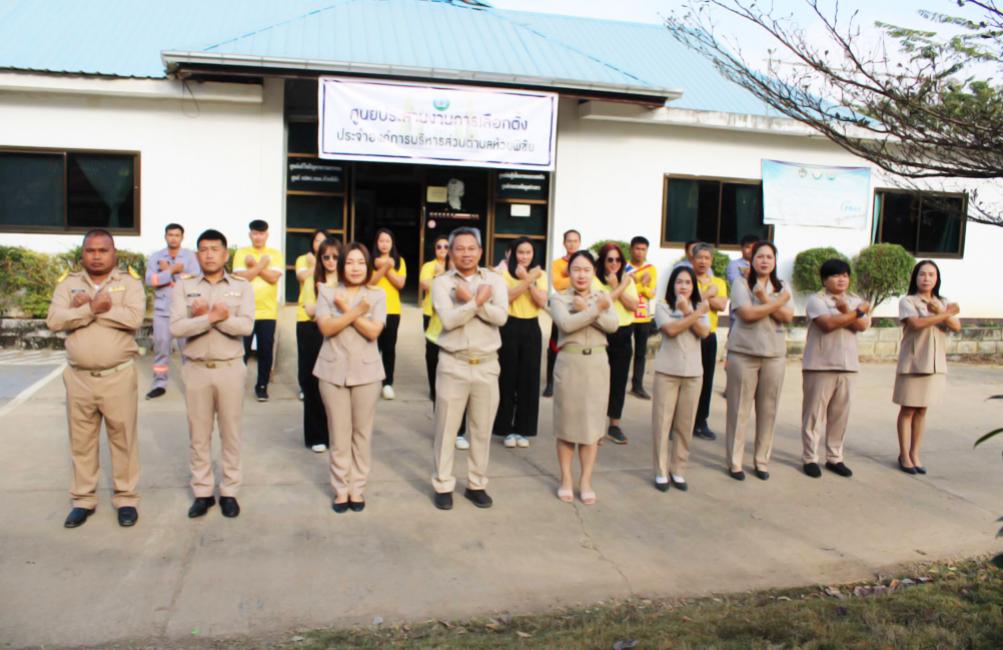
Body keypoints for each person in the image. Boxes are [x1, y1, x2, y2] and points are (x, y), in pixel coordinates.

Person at [46, 229, 145, 528]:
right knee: (82, 441)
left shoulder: (129, 283)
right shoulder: (68, 284)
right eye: (91, 250)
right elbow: (54, 320)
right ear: (83, 254)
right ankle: (83, 500)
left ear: (114, 253)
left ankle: (126, 499)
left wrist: (88, 308)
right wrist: (92, 307)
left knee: (123, 439)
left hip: (118, 376)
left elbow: (134, 318)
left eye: (103, 250)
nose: (97, 256)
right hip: (79, 378)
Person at [170, 229, 255, 519]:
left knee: (230, 433)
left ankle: (229, 491)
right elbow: (177, 328)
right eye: (204, 249)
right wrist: (211, 317)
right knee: (199, 434)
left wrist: (212, 318)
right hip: (196, 369)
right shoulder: (184, 286)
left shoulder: (242, 286)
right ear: (197, 255)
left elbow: (246, 326)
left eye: (215, 249)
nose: (209, 255)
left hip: (230, 368)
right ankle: (203, 492)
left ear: (225, 254)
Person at [428, 227, 508, 510]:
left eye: (471, 248)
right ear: (450, 252)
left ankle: (476, 484)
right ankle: (443, 483)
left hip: (486, 364)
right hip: (453, 363)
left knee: (481, 430)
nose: (466, 253)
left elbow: (501, 317)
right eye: (459, 248)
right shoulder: (442, 283)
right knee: (446, 429)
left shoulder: (495, 280)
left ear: (480, 251)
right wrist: (478, 301)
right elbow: (449, 321)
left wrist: (473, 303)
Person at [314, 243, 387, 513]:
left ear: (367, 266)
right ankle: (340, 489)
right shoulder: (327, 292)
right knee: (339, 433)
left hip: (367, 373)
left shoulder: (377, 295)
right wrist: (355, 311)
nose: (355, 268)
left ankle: (357, 488)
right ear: (341, 265)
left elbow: (373, 332)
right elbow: (326, 327)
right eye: (349, 262)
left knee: (362, 433)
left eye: (360, 262)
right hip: (332, 372)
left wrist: (345, 311)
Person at [549, 250, 619, 504]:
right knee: (567, 426)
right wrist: (595, 311)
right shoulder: (559, 298)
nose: (581, 275)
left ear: (594, 272)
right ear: (569, 272)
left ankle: (586, 481)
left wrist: (590, 309)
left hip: (597, 364)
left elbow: (613, 325)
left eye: (586, 270)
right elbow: (566, 325)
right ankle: (566, 479)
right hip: (570, 363)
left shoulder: (602, 296)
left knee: (592, 429)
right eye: (576, 269)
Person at [724, 241, 793, 481]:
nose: (764, 261)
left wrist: (765, 300)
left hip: (774, 354)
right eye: (760, 256)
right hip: (744, 353)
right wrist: (775, 303)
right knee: (738, 410)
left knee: (768, 410)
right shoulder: (742, 284)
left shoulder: (782, 286)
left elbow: (788, 317)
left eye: (769, 257)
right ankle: (735, 462)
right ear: (751, 260)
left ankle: (761, 461)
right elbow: (747, 314)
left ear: (775, 261)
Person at [801, 259, 871, 479]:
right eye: (835, 275)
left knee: (840, 415)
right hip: (820, 365)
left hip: (848, 365)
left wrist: (848, 310)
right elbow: (828, 324)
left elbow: (862, 326)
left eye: (845, 275)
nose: (841, 279)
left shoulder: (854, 300)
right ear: (824, 280)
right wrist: (856, 312)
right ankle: (810, 458)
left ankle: (834, 457)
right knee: (814, 415)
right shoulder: (817, 300)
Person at [893, 260, 960, 475]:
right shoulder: (908, 301)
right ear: (915, 277)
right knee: (908, 409)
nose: (927, 278)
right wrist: (945, 313)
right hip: (913, 362)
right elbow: (916, 324)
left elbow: (956, 327)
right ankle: (904, 455)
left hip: (935, 363)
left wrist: (941, 310)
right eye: (922, 274)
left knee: (922, 410)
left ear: (937, 279)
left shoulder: (942, 301)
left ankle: (915, 454)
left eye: (931, 274)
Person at [652, 266, 710, 492]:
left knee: (685, 426)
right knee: (662, 424)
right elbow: (671, 330)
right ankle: (661, 471)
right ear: (672, 285)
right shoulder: (663, 306)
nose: (683, 286)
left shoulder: (699, 306)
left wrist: (690, 310)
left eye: (687, 282)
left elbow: (704, 332)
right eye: (679, 282)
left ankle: (678, 470)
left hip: (693, 373)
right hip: (667, 372)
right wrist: (692, 313)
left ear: (693, 286)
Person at [494, 237, 547, 448]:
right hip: (508, 326)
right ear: (513, 253)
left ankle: (523, 429)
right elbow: (506, 298)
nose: (524, 256)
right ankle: (505, 428)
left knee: (529, 380)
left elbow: (541, 301)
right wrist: (526, 279)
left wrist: (529, 279)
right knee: (507, 378)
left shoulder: (540, 275)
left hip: (531, 328)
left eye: (528, 252)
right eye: (520, 252)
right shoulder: (503, 274)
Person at [421, 235, 470, 450]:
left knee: (460, 386)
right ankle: (442, 428)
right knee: (438, 388)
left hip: (460, 340)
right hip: (436, 337)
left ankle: (459, 431)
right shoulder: (438, 282)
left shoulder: (470, 284)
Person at [144, 223, 200, 400]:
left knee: (188, 350)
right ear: (165, 236)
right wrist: (172, 271)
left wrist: (165, 273)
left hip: (184, 311)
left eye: (177, 235)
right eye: (170, 235)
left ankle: (191, 384)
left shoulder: (189, 257)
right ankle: (159, 384)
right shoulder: (156, 257)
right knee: (161, 348)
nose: (173, 238)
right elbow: (150, 281)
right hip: (162, 311)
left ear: (182, 237)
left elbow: (195, 279)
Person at [233, 219, 284, 402]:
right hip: (245, 311)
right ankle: (237, 385)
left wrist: (253, 265)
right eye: (255, 233)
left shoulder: (275, 254)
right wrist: (261, 264)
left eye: (261, 233)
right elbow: (242, 278)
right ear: (250, 235)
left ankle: (262, 386)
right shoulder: (241, 253)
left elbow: (273, 278)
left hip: (268, 312)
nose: (258, 237)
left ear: (267, 235)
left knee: (265, 351)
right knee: (242, 351)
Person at [298, 238, 341, 452]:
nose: (331, 261)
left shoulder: (347, 279)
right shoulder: (312, 280)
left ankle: (336, 435)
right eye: (326, 257)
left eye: (335, 256)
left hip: (340, 332)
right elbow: (310, 310)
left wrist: (326, 301)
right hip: (312, 331)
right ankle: (316, 435)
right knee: (312, 382)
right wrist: (335, 304)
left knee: (336, 385)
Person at [597, 243, 638, 444]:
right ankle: (595, 427)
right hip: (602, 333)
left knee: (619, 381)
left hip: (623, 334)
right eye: (610, 259)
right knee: (598, 383)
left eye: (618, 260)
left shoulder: (627, 280)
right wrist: (618, 287)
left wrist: (617, 286)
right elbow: (601, 304)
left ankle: (614, 425)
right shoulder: (595, 280)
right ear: (603, 261)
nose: (614, 263)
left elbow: (633, 305)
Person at [691, 243, 728, 441]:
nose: (703, 261)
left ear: (711, 261)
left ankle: (701, 421)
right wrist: (706, 295)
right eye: (700, 257)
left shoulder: (719, 282)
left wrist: (700, 298)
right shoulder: (686, 279)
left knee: (706, 380)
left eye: (707, 258)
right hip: (689, 333)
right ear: (693, 259)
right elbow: (687, 301)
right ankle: (680, 421)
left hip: (709, 335)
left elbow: (721, 305)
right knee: (686, 379)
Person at [544, 229, 581, 397]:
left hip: (579, 306)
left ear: (579, 242)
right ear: (564, 243)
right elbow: (558, 284)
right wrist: (576, 275)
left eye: (575, 241)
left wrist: (569, 274)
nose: (572, 244)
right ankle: (550, 383)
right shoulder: (557, 263)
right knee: (554, 343)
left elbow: (589, 281)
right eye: (569, 241)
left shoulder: (584, 260)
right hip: (561, 306)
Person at [370, 228, 406, 400]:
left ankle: (387, 383)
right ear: (376, 243)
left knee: (389, 348)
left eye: (387, 241)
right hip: (372, 310)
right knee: (372, 348)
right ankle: (372, 381)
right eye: (381, 241)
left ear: (392, 244)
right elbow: (370, 282)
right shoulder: (369, 261)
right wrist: (384, 266)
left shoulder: (399, 262)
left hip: (392, 310)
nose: (384, 244)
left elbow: (400, 283)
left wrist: (386, 267)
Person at [294, 229, 330, 400]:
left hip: (326, 315)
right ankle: (304, 387)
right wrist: (314, 264)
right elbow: (302, 277)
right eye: (317, 240)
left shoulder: (330, 260)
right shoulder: (303, 259)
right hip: (305, 314)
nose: (319, 243)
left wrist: (316, 262)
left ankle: (321, 386)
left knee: (324, 353)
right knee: (305, 355)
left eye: (323, 240)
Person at [626, 236, 657, 400]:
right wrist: (642, 283)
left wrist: (636, 283)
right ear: (631, 249)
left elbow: (651, 293)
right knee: (624, 352)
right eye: (637, 249)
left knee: (640, 353)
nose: (640, 252)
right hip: (626, 315)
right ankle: (616, 382)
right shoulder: (624, 267)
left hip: (643, 317)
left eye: (643, 249)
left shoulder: (651, 269)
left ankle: (637, 386)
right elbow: (624, 289)